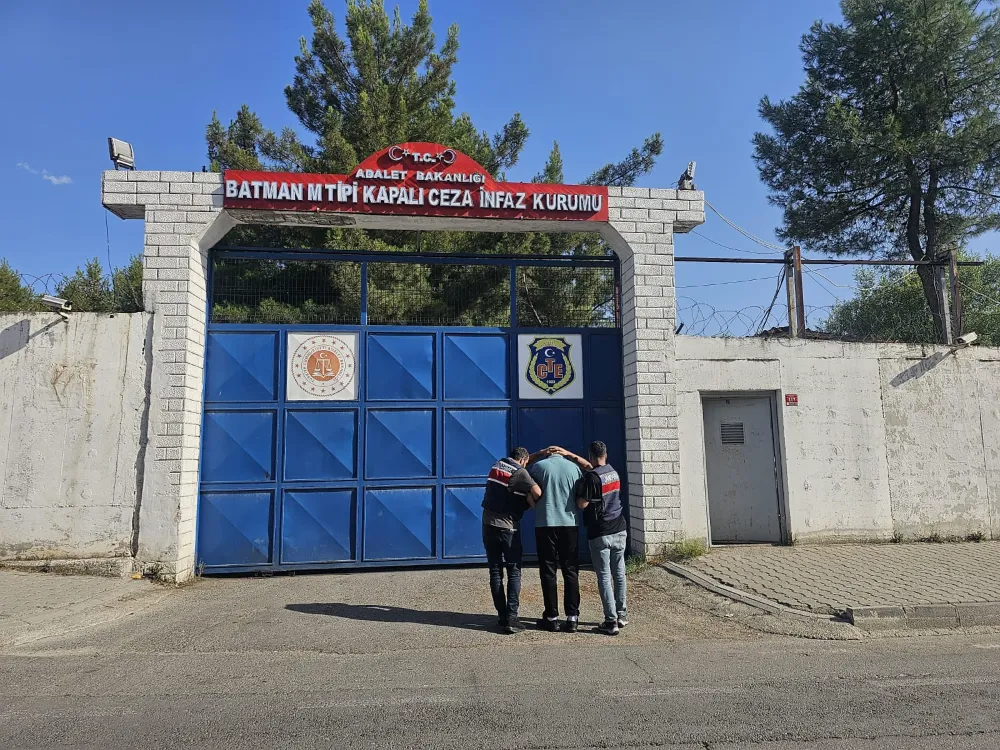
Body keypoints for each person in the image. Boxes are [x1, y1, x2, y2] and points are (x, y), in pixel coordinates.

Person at [481, 446, 543, 634]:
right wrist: (529, 498)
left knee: (495, 571)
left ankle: (502, 616)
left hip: (488, 525)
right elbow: (538, 492)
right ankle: (512, 618)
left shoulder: (497, 465)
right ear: (523, 460)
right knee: (514, 571)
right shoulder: (521, 473)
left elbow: (519, 466)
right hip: (508, 527)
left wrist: (540, 454)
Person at [573, 441, 628, 635]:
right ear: (605, 454)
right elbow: (592, 470)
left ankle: (610, 621)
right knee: (619, 574)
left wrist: (576, 493)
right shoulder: (612, 472)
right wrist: (569, 455)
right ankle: (621, 616)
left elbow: (582, 504)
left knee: (604, 576)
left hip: (600, 532)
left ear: (591, 455)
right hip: (619, 528)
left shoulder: (591, 478)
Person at [528, 449, 584, 632]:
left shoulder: (538, 467)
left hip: (545, 522)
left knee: (548, 570)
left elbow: (531, 491)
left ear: (547, 455)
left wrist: (534, 504)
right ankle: (572, 617)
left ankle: (552, 617)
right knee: (571, 570)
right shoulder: (574, 468)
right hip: (569, 523)